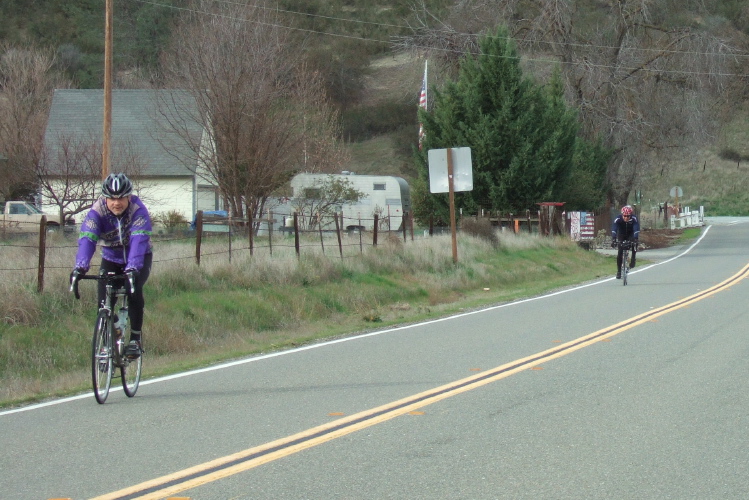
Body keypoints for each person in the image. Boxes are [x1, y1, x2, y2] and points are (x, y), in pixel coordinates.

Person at [71, 173, 153, 358]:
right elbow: (87, 238)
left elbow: (139, 240)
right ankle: (111, 331)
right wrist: (80, 267)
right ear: (105, 198)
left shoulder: (138, 210)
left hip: (139, 257)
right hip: (111, 258)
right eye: (112, 198)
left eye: (121, 198)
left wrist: (132, 268)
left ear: (129, 196)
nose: (117, 203)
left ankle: (135, 339)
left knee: (133, 290)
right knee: (103, 304)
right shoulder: (97, 212)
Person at [611, 205, 640, 279]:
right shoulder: (618, 219)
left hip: (630, 234)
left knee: (634, 243)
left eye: (628, 216)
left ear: (630, 215)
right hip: (621, 234)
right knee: (620, 252)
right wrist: (613, 239)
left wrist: (636, 238)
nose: (626, 218)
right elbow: (614, 228)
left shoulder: (634, 218)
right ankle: (619, 271)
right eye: (625, 216)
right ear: (622, 215)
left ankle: (633, 259)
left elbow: (636, 228)